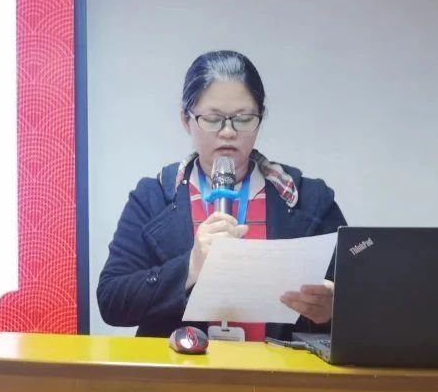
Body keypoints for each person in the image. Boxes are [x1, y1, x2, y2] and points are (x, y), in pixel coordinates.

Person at [97, 50, 345, 340]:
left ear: (260, 118)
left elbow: (365, 299)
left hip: (279, 368)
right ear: (186, 120)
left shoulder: (309, 198)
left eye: (244, 118)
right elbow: (112, 301)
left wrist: (333, 310)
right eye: (213, 119)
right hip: (181, 367)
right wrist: (191, 267)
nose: (228, 132)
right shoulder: (153, 197)